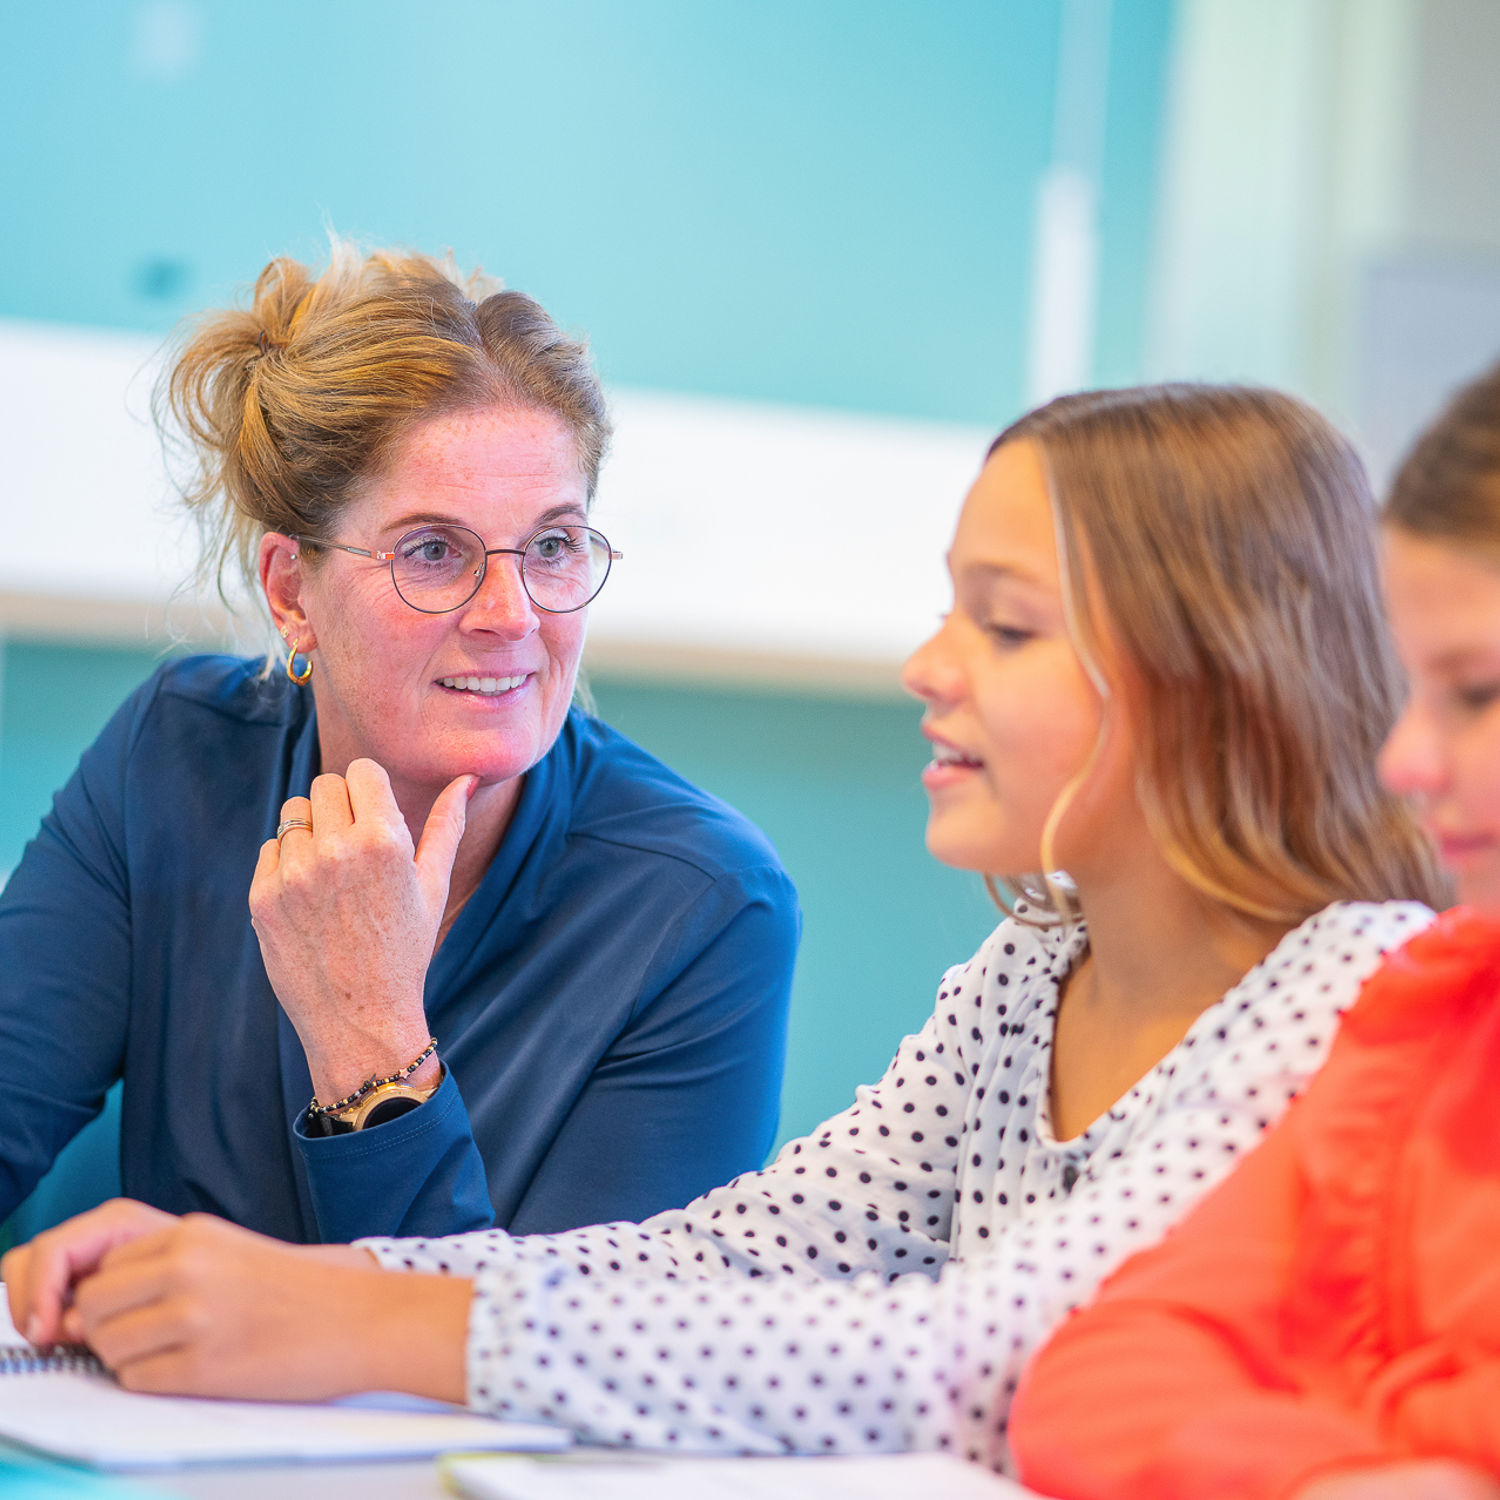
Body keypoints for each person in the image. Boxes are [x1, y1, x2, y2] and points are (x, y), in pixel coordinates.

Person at [3, 384, 1447, 1468]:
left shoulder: (1355, 997)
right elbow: (739, 1250)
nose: (926, 665)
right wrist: (313, 1290)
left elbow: (978, 1356)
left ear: (1213, 676)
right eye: (435, 553)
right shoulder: (1037, 971)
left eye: (1003, 627)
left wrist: (356, 1318)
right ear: (289, 588)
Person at [0, 241, 799, 1246]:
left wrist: (370, 1038)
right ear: (292, 590)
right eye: (433, 550)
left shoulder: (703, 904)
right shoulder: (175, 756)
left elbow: (573, 1366)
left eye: (552, 546)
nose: (512, 614)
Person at [1008, 362, 1500, 1500]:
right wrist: (1328, 1476)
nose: (1405, 762)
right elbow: (1103, 1364)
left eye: (1473, 695)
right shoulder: (1433, 1017)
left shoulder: (1356, 966)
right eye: (1415, 692)